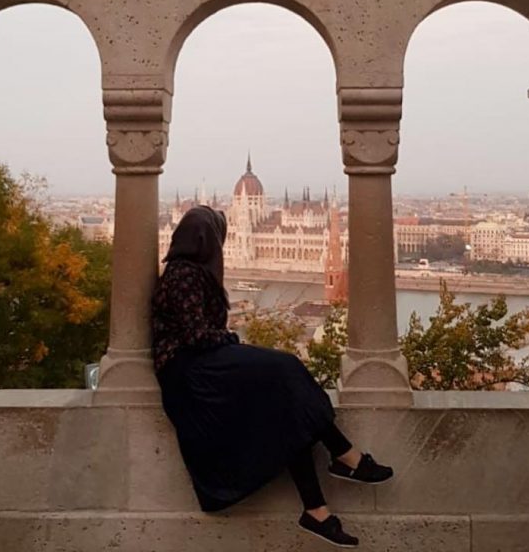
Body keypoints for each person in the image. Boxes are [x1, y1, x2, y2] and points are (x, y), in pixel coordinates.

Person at [151, 203, 393, 548]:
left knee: (285, 407)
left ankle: (317, 510)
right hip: (189, 371)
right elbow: (197, 338)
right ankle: (345, 456)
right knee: (285, 368)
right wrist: (234, 341)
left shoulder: (193, 271)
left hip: (204, 364)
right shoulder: (183, 274)